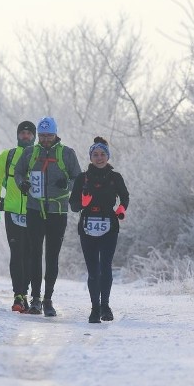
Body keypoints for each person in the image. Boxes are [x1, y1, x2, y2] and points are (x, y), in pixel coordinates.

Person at [13, 117, 81, 316]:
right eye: (42, 136)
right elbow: (18, 173)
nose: (45, 140)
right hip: (34, 209)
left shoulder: (67, 154)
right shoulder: (29, 153)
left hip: (57, 210)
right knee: (35, 254)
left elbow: (78, 178)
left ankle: (48, 299)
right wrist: (22, 184)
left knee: (52, 256)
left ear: (55, 135)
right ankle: (35, 299)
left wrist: (66, 185)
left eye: (48, 136)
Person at [69, 137, 129, 323]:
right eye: (95, 154)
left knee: (106, 267)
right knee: (93, 270)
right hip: (87, 227)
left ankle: (106, 306)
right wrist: (82, 203)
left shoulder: (115, 177)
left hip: (109, 227)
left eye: (103, 154)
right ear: (90, 157)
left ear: (108, 156)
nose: (99, 157)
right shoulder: (82, 177)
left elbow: (125, 197)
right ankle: (95, 309)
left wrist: (121, 209)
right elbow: (73, 205)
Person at [0, 120, 36, 312]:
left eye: (29, 133)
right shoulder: (7, 155)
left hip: (35, 212)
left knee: (31, 255)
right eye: (22, 133)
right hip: (12, 211)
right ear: (18, 135)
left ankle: (33, 294)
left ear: (34, 136)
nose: (25, 136)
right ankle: (19, 294)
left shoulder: (39, 156)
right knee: (17, 254)